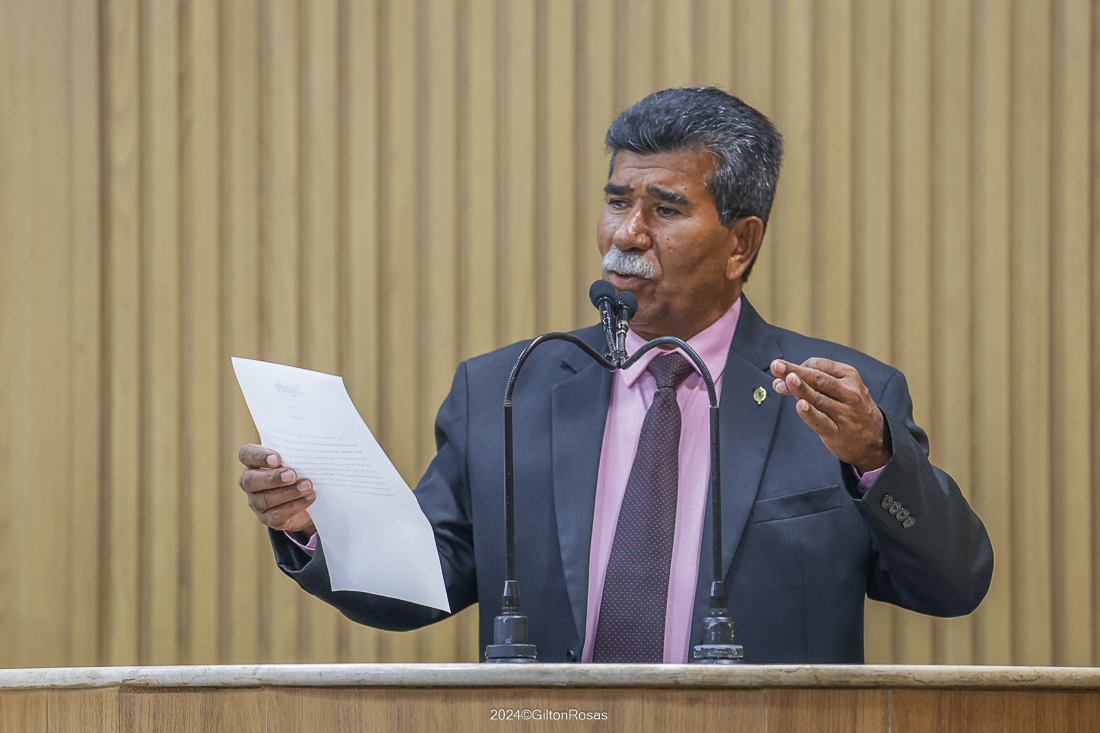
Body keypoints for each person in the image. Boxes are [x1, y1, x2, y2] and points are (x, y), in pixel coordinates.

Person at [237, 87, 993, 664]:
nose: (627, 234)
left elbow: (953, 585)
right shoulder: (507, 390)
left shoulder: (841, 406)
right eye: (617, 201)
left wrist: (875, 458)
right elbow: (422, 580)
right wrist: (312, 529)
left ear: (740, 243)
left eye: (665, 209)